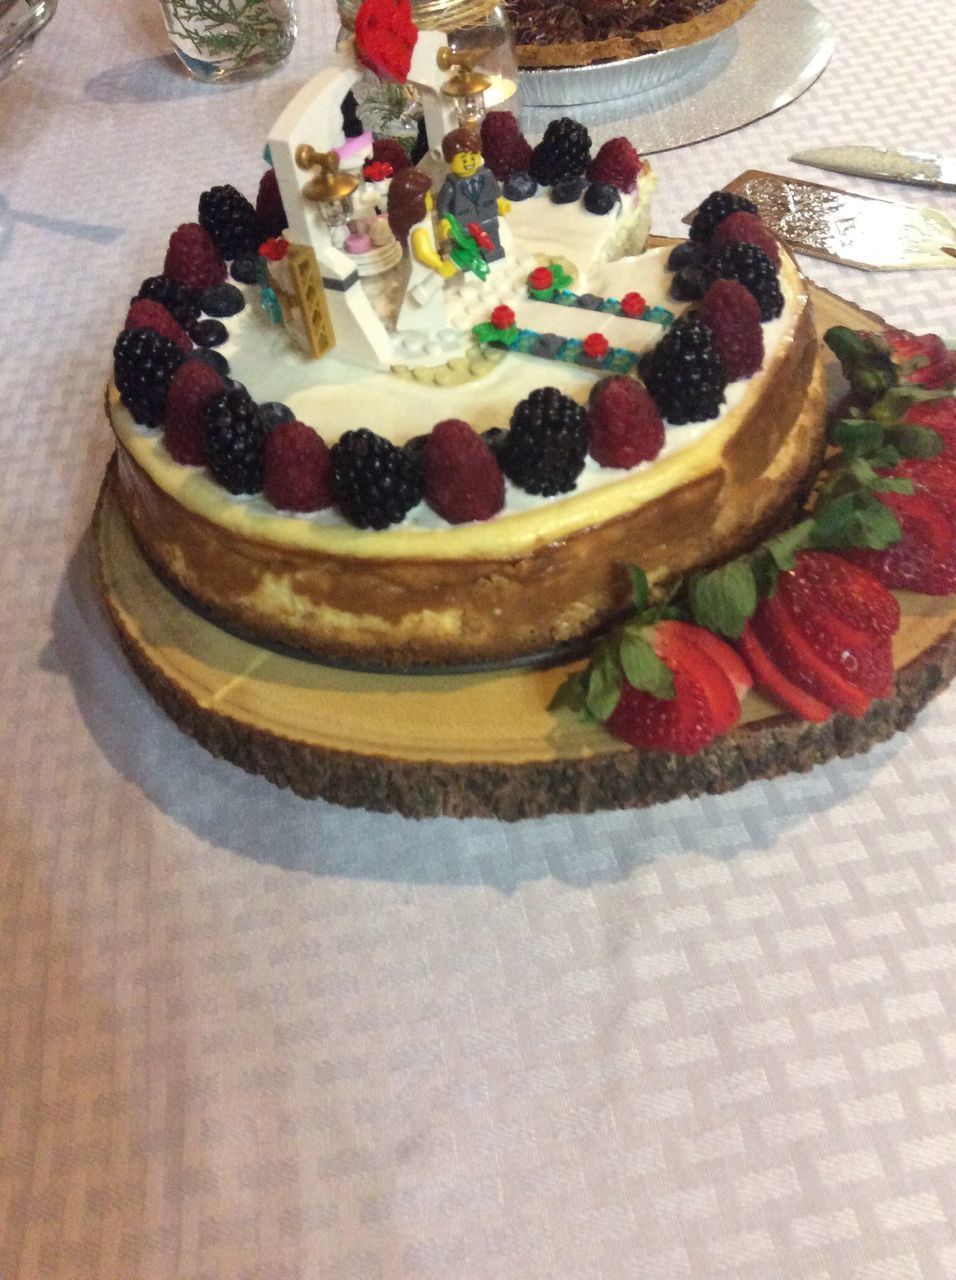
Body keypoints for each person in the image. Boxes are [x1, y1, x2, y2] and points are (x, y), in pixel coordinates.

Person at [386, 168, 457, 334]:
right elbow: (423, 252)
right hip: (423, 272)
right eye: (426, 197)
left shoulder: (420, 223)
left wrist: (443, 231)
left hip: (420, 271)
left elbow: (432, 241)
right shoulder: (418, 231)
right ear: (414, 204)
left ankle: (420, 320)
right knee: (420, 301)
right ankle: (418, 322)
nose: (431, 199)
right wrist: (440, 264)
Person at [435, 127, 510, 264]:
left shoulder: (487, 175)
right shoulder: (450, 186)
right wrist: (445, 221)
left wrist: (500, 202)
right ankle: (470, 263)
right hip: (465, 226)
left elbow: (495, 192)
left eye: (472, 157)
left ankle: (494, 256)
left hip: (488, 219)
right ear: (449, 161)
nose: (468, 163)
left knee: (492, 244)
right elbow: (442, 206)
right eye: (463, 160)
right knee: (467, 250)